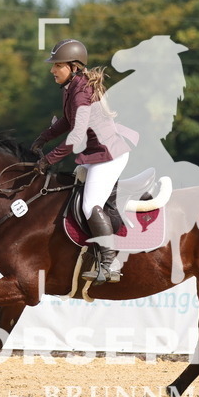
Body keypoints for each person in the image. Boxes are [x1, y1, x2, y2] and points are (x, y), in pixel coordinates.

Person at [31, 39, 138, 284]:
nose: (52, 70)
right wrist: (43, 137)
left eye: (57, 65)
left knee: (90, 206)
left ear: (74, 66)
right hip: (96, 154)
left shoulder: (80, 93)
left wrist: (48, 159)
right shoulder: (72, 88)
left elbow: (76, 136)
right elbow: (67, 123)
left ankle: (109, 263)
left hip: (108, 156)